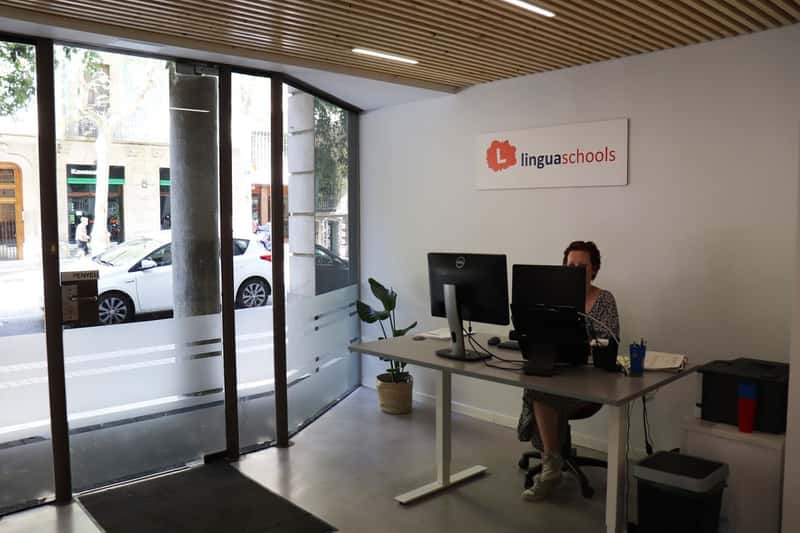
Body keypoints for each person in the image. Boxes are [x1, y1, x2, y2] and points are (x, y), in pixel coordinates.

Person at [517, 240, 620, 502]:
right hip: (559, 372)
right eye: (570, 265)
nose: (575, 271)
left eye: (582, 266)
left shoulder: (604, 300)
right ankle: (552, 459)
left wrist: (586, 344)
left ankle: (550, 465)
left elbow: (609, 345)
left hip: (592, 384)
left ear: (594, 269)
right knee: (537, 383)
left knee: (540, 392)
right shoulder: (553, 298)